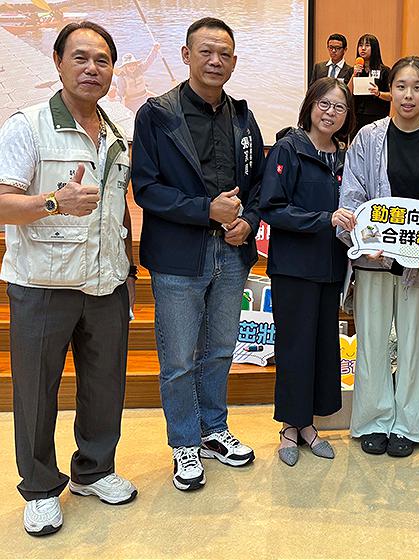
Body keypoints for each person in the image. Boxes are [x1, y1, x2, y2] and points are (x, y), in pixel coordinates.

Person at [0, 21, 137, 536]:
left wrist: (127, 270)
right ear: (58, 63)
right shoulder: (28, 125)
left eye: (102, 60)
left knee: (105, 385)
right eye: (80, 57)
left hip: (105, 282)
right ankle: (39, 488)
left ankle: (93, 471)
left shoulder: (117, 133)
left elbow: (117, 211)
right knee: (36, 391)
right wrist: (54, 202)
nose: (92, 68)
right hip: (43, 285)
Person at [131, 17, 265, 491]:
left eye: (224, 53)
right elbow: (146, 188)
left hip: (231, 252)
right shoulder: (157, 114)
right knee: (179, 359)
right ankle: (185, 441)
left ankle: (213, 429)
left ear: (234, 61)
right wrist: (205, 210)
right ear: (186, 55)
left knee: (221, 349)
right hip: (177, 256)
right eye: (206, 51)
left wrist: (248, 221)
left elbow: (258, 184)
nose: (215, 61)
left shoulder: (243, 117)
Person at [338, 56, 419, 458]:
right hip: (374, 259)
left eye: (418, 87)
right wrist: (362, 235)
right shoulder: (368, 139)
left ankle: (408, 425)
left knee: (413, 345)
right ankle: (373, 421)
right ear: (390, 90)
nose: (409, 95)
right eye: (402, 86)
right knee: (372, 343)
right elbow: (353, 194)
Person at [261, 78, 356, 466]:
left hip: (331, 267)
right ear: (310, 106)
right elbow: (272, 207)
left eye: (339, 107)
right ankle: (289, 427)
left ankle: (309, 424)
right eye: (324, 104)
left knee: (321, 348)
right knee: (294, 348)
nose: (331, 112)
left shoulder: (345, 156)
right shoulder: (289, 148)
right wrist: (324, 219)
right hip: (294, 268)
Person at [350, 34, 390, 134]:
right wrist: (354, 75)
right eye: (360, 45)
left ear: (374, 48)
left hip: (378, 116)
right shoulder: (354, 70)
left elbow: (392, 96)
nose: (363, 48)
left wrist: (379, 93)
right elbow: (346, 93)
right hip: (357, 116)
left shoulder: (384, 71)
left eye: (367, 45)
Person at [110, 42, 160, 114]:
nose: (132, 67)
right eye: (129, 65)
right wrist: (119, 104)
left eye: (133, 64)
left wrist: (155, 50)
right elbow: (120, 93)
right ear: (125, 67)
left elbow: (149, 61)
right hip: (132, 102)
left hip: (144, 97)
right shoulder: (122, 78)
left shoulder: (140, 69)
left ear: (136, 64)